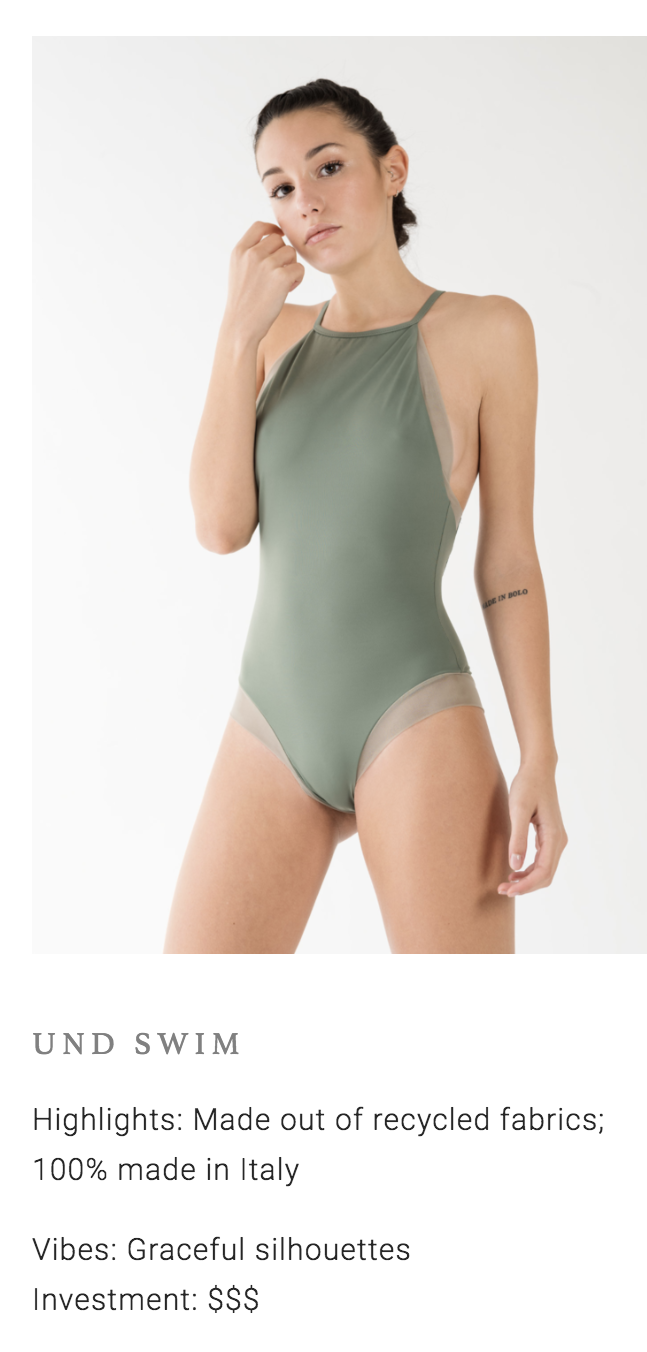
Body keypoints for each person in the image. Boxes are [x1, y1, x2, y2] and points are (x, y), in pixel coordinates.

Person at [163, 77, 567, 955]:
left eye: (328, 167)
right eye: (279, 187)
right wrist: (236, 332)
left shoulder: (488, 331)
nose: (304, 201)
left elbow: (508, 559)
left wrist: (538, 752)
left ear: (393, 169)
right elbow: (219, 527)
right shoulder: (270, 339)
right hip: (270, 720)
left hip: (414, 716)